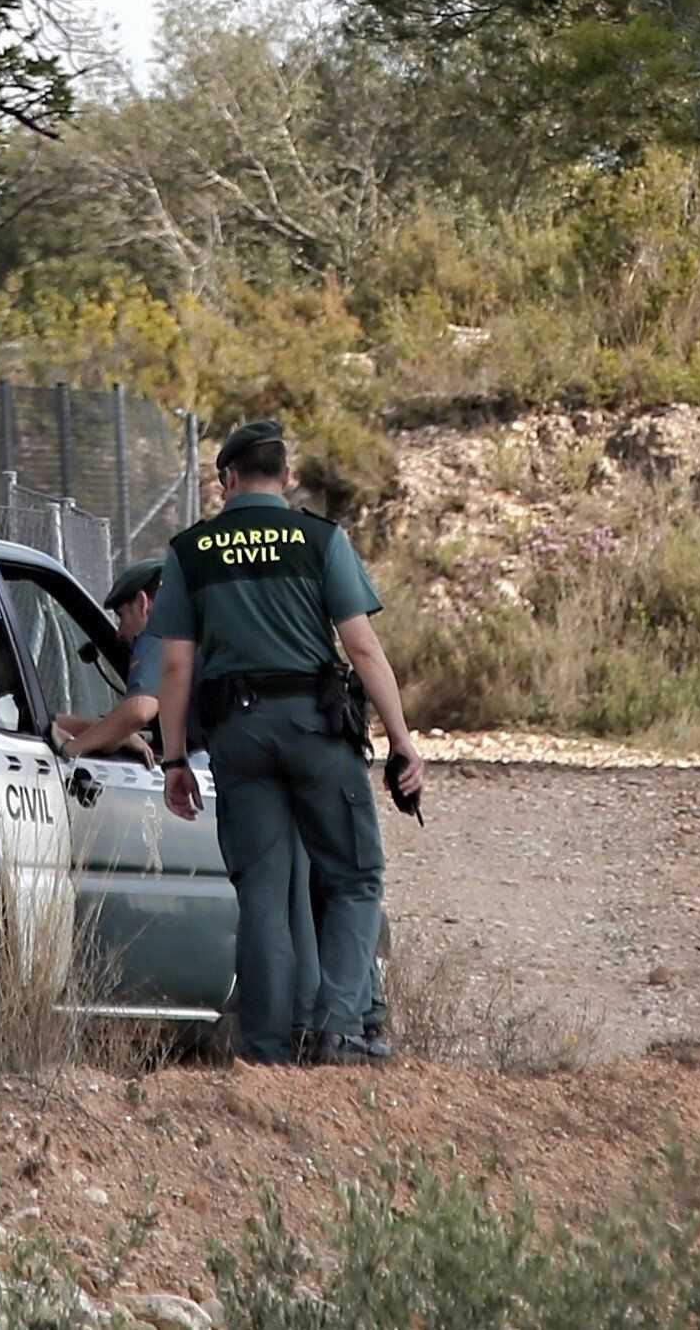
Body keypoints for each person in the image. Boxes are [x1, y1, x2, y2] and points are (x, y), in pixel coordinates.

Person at [154, 419, 423, 1066]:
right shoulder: (318, 539)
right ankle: (339, 1027)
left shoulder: (190, 551)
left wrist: (172, 759)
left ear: (227, 479)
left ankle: (269, 1052)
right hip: (314, 728)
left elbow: (174, 667)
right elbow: (361, 646)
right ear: (288, 474)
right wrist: (403, 739)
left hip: (238, 736)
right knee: (356, 876)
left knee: (264, 894)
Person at [51, 559, 164, 759]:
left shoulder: (158, 636)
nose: (119, 633)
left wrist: (71, 748)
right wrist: (117, 732)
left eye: (121, 616)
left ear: (142, 603)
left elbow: (138, 710)